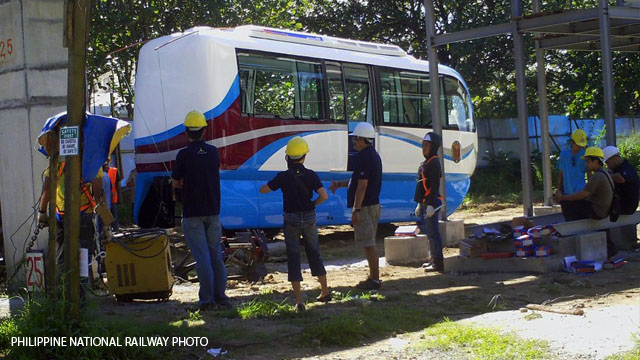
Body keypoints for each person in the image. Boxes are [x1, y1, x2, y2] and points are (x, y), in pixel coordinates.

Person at [259, 137, 330, 312]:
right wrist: (312, 204)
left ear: (288, 158)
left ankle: (299, 301)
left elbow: (264, 189)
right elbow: (324, 196)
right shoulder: (312, 175)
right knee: (314, 253)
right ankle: (324, 291)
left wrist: (270, 183)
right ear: (304, 157)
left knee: (293, 256)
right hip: (309, 217)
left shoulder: (283, 176)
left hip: (290, 218)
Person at [172, 110, 229, 311]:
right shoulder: (213, 152)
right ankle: (221, 297)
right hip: (213, 211)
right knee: (215, 254)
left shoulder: (183, 155)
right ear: (204, 131)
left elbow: (176, 182)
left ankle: (206, 301)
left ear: (186, 132)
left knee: (202, 256)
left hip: (192, 212)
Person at [38, 133, 104, 302]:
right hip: (84, 215)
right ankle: (79, 296)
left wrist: (42, 212)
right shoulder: (92, 161)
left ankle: (63, 296)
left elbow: (47, 188)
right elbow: (98, 191)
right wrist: (101, 211)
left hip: (62, 215)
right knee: (82, 255)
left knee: (62, 256)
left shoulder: (57, 161)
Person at [330, 122, 383, 290]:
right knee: (369, 243)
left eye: (355, 139)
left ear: (362, 139)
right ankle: (373, 278)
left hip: (366, 207)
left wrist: (356, 210)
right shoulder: (372, 155)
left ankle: (374, 280)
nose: (353, 143)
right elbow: (356, 182)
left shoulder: (364, 157)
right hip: (372, 205)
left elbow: (362, 185)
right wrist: (339, 184)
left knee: (368, 244)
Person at [553, 147, 613, 221]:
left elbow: (582, 194)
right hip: (603, 209)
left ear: (595, 162)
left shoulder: (598, 176)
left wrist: (562, 197)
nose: (586, 164)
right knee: (576, 202)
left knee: (569, 203)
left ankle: (572, 229)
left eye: (587, 161)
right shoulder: (604, 173)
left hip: (598, 212)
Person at [414, 132, 444, 273]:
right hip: (426, 203)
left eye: (426, 145)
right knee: (429, 233)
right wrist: (419, 203)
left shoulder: (434, 163)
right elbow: (421, 185)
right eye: (423, 145)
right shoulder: (425, 163)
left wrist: (431, 203)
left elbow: (434, 185)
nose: (423, 148)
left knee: (433, 233)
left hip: (431, 202)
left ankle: (438, 262)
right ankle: (433, 258)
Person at [557, 129, 588, 219]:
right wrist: (558, 189)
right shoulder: (564, 155)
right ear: (572, 142)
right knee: (570, 219)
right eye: (577, 145)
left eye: (580, 146)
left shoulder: (585, 156)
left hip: (581, 195)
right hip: (567, 194)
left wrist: (589, 190)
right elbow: (561, 173)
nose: (579, 147)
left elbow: (589, 173)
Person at [603, 146, 639, 215]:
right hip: (620, 206)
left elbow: (621, 178)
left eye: (608, 163)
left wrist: (604, 176)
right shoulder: (617, 169)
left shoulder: (627, 167)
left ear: (615, 159)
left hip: (626, 207)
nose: (608, 166)